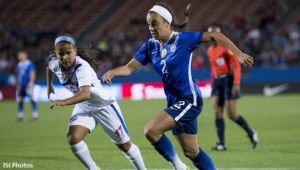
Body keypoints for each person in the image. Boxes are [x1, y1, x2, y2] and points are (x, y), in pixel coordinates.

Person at [102, 2, 253, 170]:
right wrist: (112, 72)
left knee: (151, 131)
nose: (151, 28)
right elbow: (129, 68)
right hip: (175, 103)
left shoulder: (183, 40)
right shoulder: (151, 46)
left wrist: (238, 53)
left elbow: (216, 36)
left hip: (190, 100)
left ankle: (178, 166)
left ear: (167, 22)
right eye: (148, 24)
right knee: (191, 152)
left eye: (154, 24)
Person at [47, 34, 146, 170]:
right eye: (61, 54)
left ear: (75, 51)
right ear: (56, 54)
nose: (64, 57)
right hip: (84, 106)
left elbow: (85, 94)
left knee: (124, 145)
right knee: (73, 138)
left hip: (103, 106)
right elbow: (49, 67)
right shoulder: (55, 63)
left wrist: (62, 102)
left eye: (68, 53)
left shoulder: (82, 67)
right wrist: (49, 86)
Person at [207, 25, 258, 151]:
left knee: (232, 115)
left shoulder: (225, 49)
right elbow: (213, 69)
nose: (213, 38)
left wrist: (236, 83)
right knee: (217, 112)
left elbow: (236, 65)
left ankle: (251, 132)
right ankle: (221, 144)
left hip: (228, 81)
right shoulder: (209, 51)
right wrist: (212, 84)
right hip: (217, 82)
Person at [16, 51, 39, 122]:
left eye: (21, 56)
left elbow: (32, 73)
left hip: (28, 84)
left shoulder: (29, 64)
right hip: (21, 84)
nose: (20, 57)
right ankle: (20, 116)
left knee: (31, 99)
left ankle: (35, 115)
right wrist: (19, 84)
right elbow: (19, 75)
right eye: (19, 56)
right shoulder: (19, 65)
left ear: (25, 56)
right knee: (20, 100)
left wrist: (31, 82)